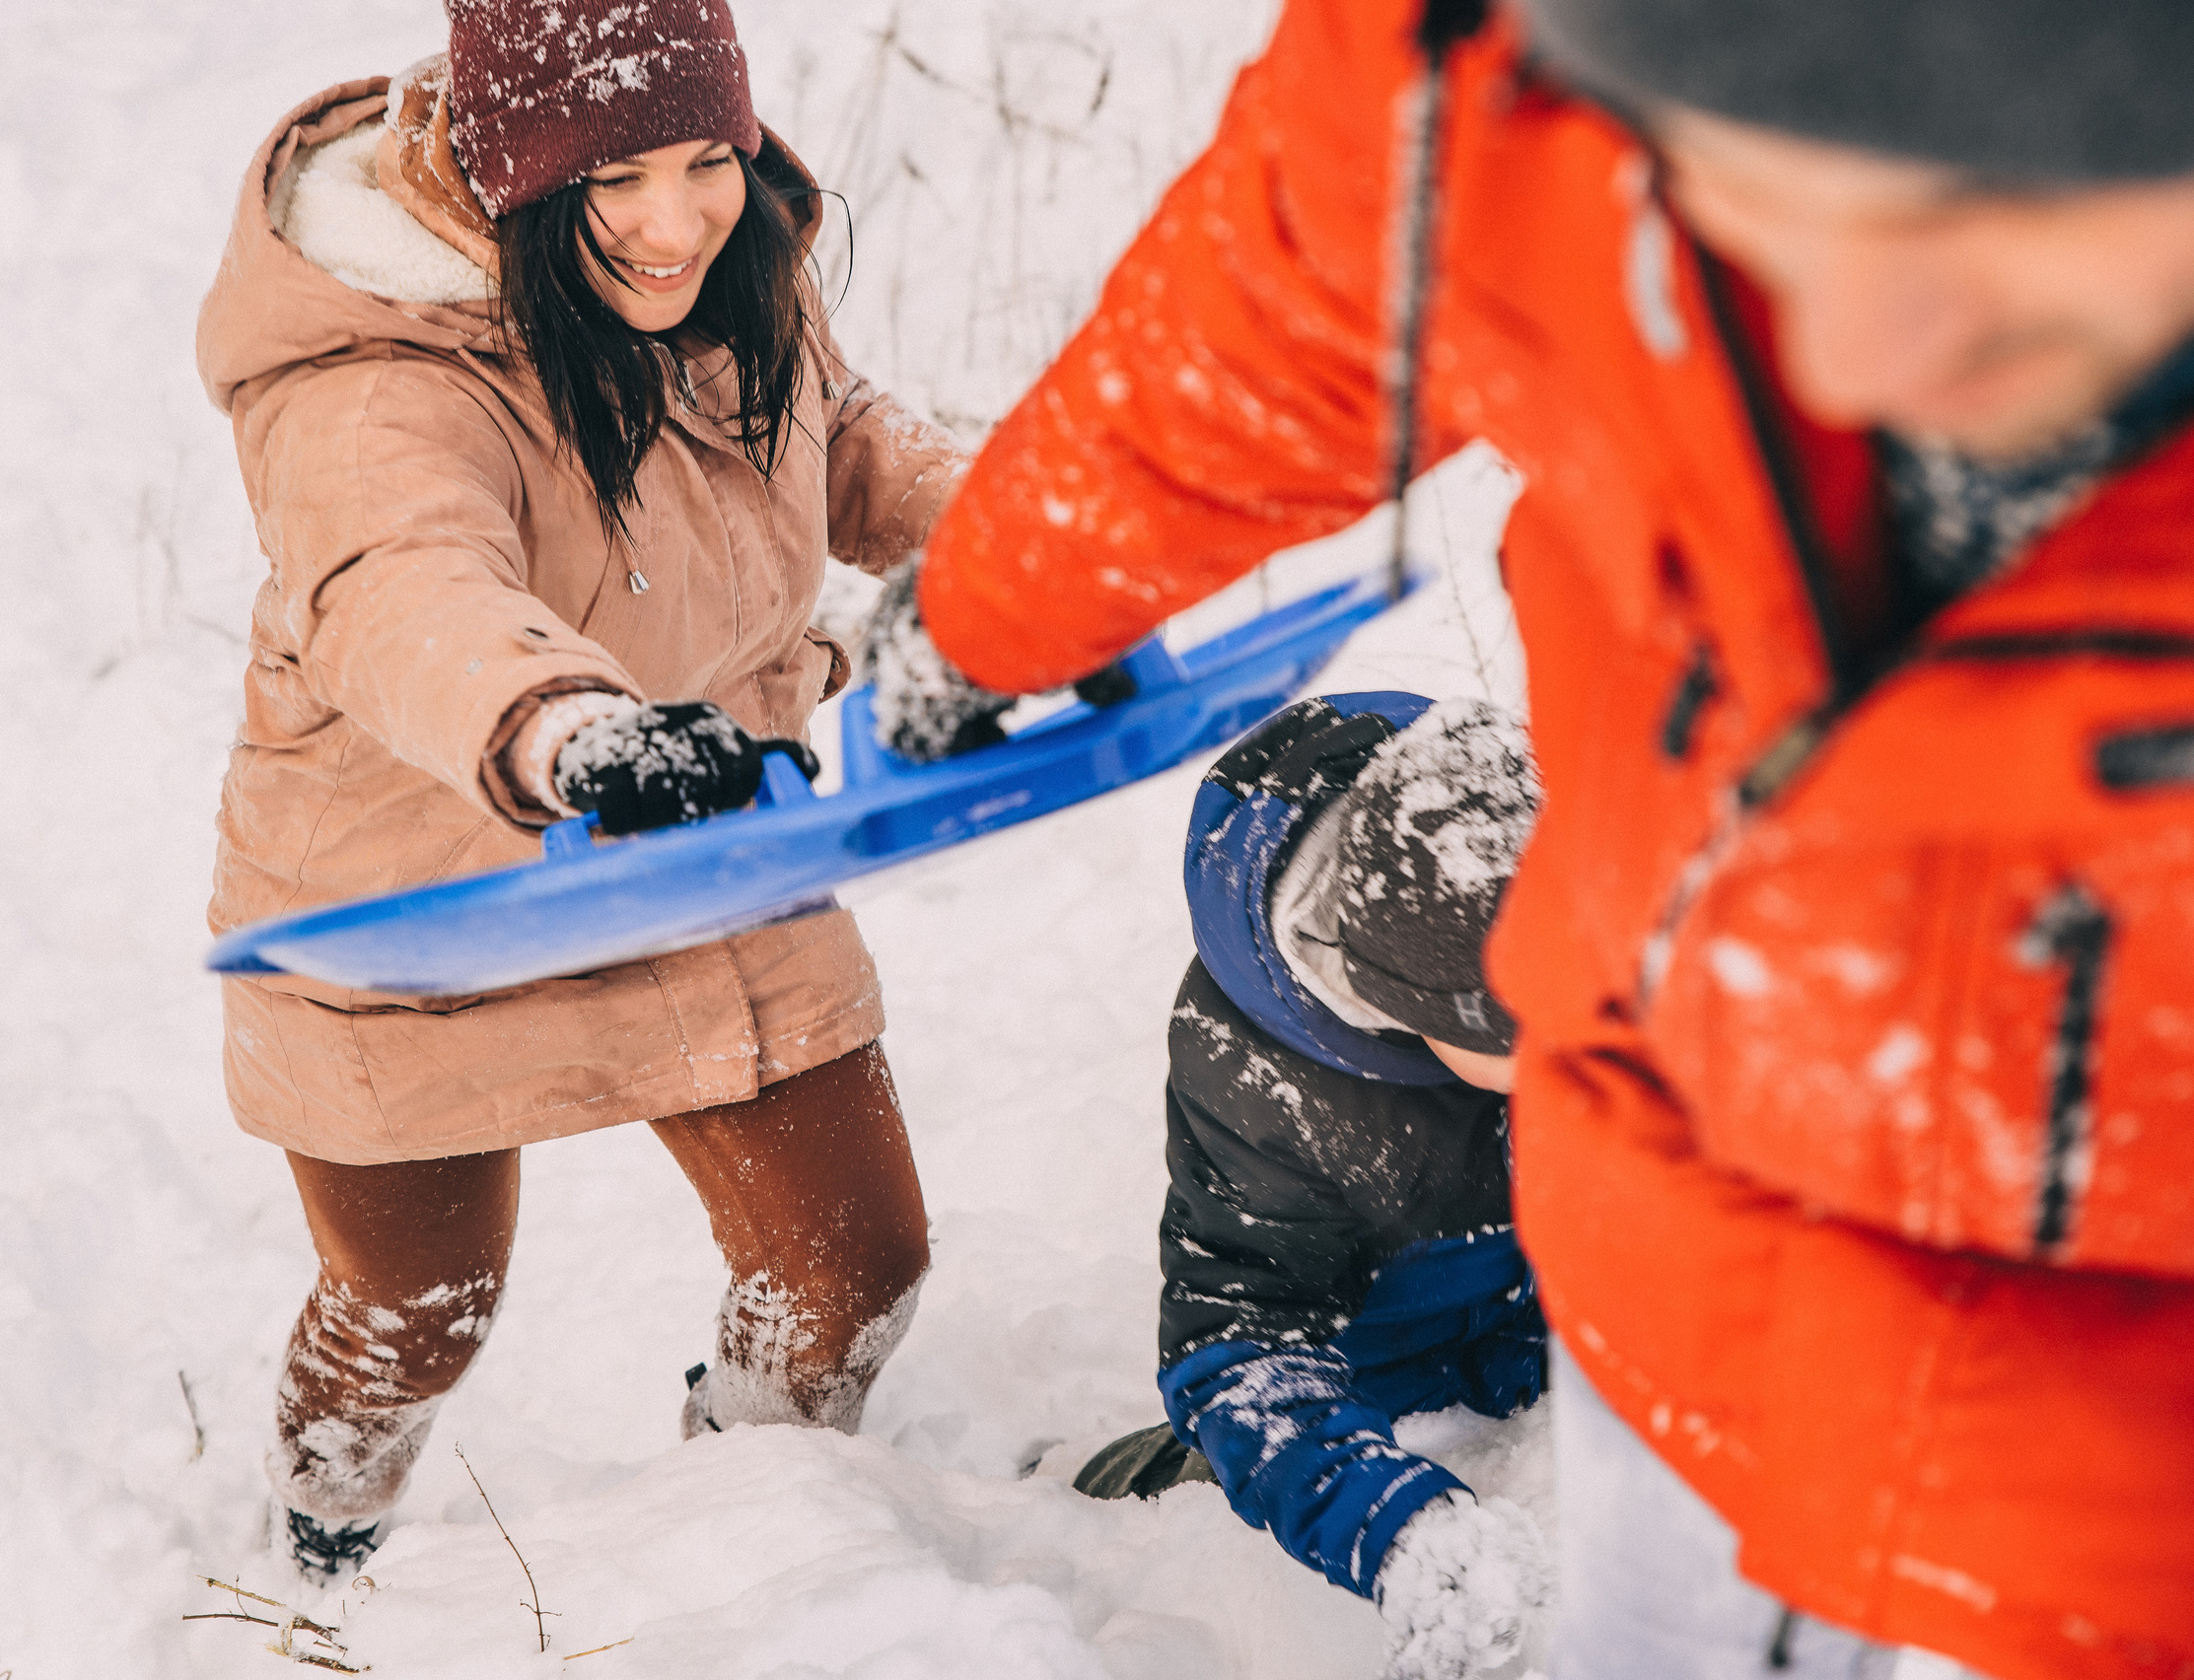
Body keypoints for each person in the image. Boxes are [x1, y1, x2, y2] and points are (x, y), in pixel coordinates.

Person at [864, 1, 2194, 1676]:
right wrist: (993, 601)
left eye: (1983, 209)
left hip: (2106, 1469)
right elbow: (1270, 303)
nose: (1844, 350)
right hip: (1677, 1306)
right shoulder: (1484, 87)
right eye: (1746, 203)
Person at [193, 0, 966, 1582]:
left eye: (708, 161)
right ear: (520, 171)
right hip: (421, 890)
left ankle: (758, 1523)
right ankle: (315, 1552)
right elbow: (399, 585)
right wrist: (568, 730)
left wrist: (1019, 534)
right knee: (415, 1311)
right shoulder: (371, 368)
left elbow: (839, 439)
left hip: (699, 843)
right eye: (617, 176)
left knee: (850, 1267)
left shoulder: (731, 274)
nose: (675, 220)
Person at [1074, 693, 1552, 1680]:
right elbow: (1241, 1339)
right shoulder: (1264, 1081)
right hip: (1388, 1412)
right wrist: (1394, 1526)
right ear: (1418, 1011)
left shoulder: (1569, 871)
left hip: (1587, 1369)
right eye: (1539, 1042)